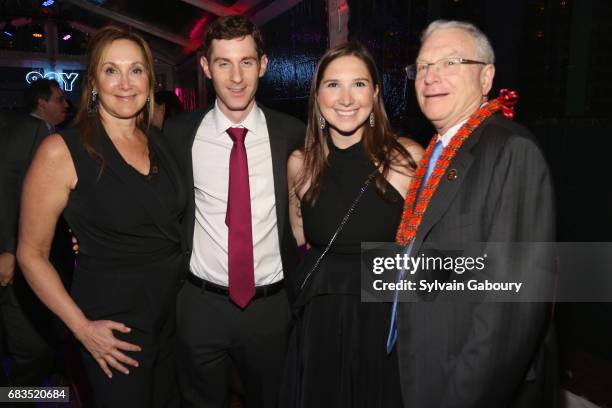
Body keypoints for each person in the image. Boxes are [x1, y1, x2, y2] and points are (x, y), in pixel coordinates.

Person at [390, 20, 557, 407]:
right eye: (423, 66)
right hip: (426, 361)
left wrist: (464, 395)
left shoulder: (511, 151)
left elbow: (510, 309)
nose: (431, 77)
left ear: (486, 77)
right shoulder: (439, 150)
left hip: (466, 379)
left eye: (450, 62)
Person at [17, 26, 185, 407]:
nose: (125, 83)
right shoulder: (62, 150)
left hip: (172, 318)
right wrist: (81, 328)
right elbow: (31, 254)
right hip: (115, 330)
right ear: (93, 82)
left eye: (136, 70)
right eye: (111, 71)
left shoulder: (157, 140)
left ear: (150, 79)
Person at [163, 15, 305, 408]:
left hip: (271, 307)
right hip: (200, 305)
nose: (237, 76)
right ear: (207, 68)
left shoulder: (293, 133)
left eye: (246, 62)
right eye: (224, 63)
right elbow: (152, 202)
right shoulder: (178, 136)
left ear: (263, 65)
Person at [281, 42, 423, 407]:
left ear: (375, 94)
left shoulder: (406, 159)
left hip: (381, 322)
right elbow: (300, 239)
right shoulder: (301, 163)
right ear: (317, 95)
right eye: (332, 85)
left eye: (358, 84)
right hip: (320, 321)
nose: (346, 98)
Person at [0, 81, 71, 388]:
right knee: (32, 352)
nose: (66, 105)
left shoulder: (46, 133)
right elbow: (4, 187)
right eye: (59, 99)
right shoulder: (30, 131)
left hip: (36, 254)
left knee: (42, 342)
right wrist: (7, 249)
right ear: (42, 103)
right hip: (17, 256)